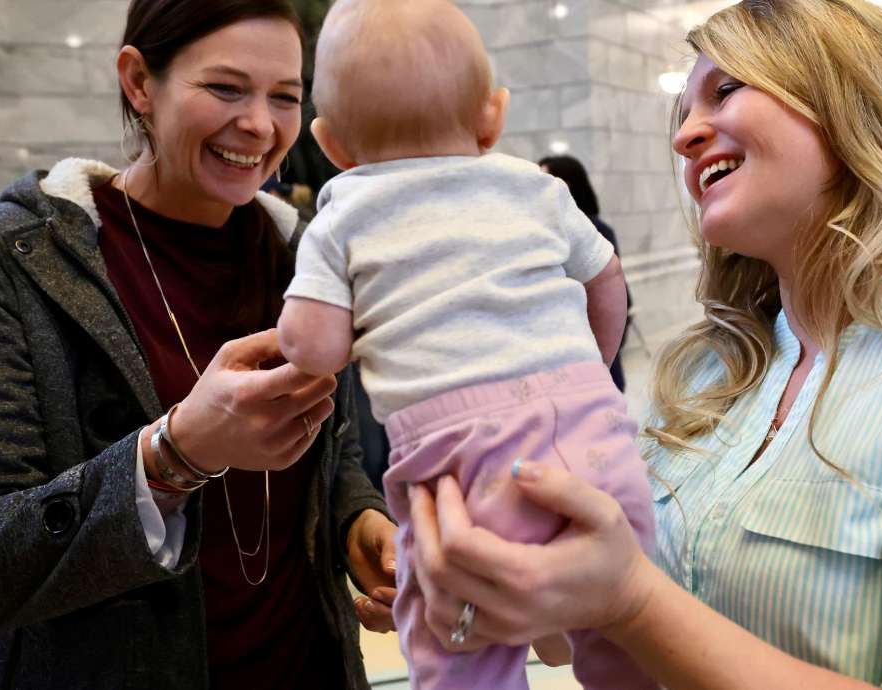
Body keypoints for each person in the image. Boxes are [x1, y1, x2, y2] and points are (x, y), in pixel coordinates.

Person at [406, 1, 882, 689]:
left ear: (850, 105)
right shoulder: (712, 372)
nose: (685, 133)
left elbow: (635, 603)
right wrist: (501, 580)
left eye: (725, 91)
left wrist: (631, 601)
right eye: (683, 110)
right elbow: (583, 634)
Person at [0, 1, 400, 688]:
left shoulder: (304, 252)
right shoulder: (10, 260)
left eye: (285, 96)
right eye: (225, 88)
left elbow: (329, 452)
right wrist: (175, 453)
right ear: (138, 80)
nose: (259, 124)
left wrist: (359, 524)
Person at [275, 1, 656, 688]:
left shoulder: (343, 211)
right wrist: (591, 368)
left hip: (462, 473)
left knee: (459, 643)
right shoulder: (535, 188)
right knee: (622, 625)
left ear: (330, 143)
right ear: (493, 115)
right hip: (596, 443)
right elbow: (608, 281)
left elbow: (315, 347)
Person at [539, 154, 633, 392]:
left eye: (548, 178)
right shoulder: (540, 233)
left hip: (590, 349)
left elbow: (618, 290)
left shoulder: (596, 230)